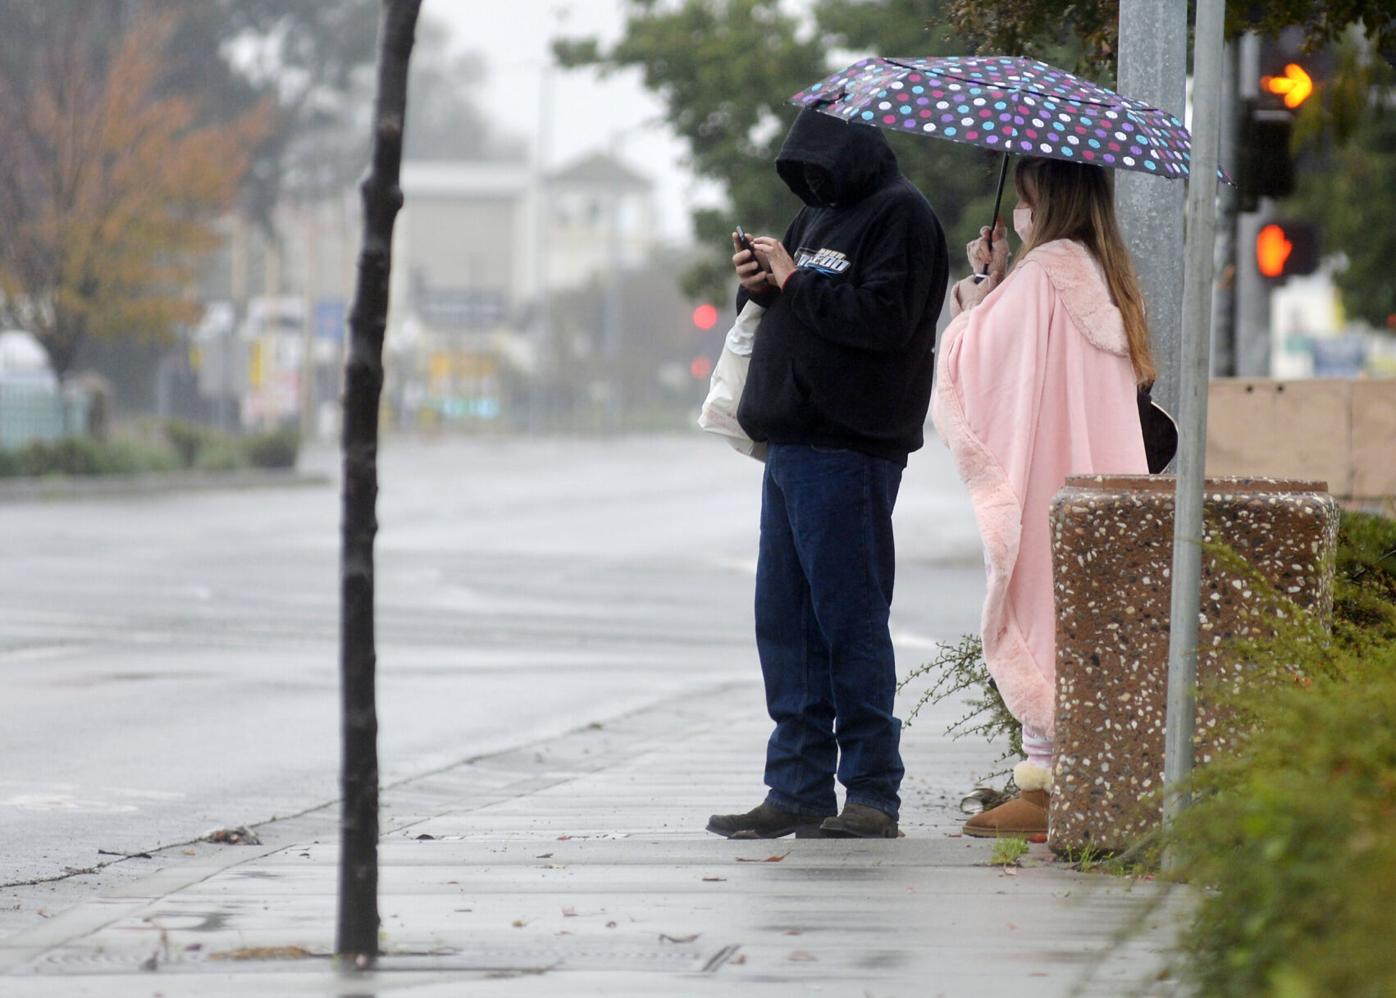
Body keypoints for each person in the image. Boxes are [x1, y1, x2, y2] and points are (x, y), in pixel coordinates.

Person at [705, 108, 948, 840]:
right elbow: (801, 305)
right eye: (801, 174)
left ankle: (873, 791)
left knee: (848, 620)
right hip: (789, 443)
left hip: (850, 444)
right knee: (786, 624)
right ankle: (797, 787)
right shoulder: (819, 213)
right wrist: (760, 283)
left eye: (820, 167)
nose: (811, 182)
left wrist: (794, 281)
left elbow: (886, 321)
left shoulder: (901, 216)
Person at [932, 156, 1154, 837]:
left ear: (1045, 201)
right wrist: (1004, 276)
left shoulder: (1047, 272)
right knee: (1084, 612)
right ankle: (1089, 776)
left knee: (1041, 599)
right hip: (1103, 482)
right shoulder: (1098, 272)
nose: (1020, 212)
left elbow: (980, 359)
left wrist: (974, 300)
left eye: (1025, 199)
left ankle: (1048, 781)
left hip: (1052, 479)